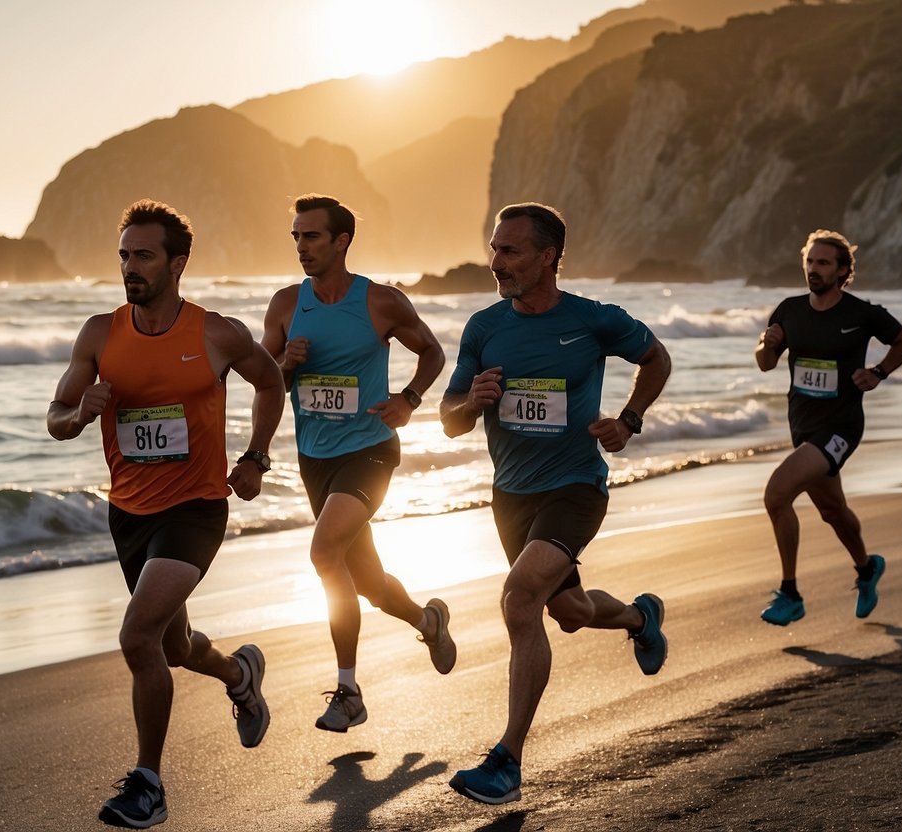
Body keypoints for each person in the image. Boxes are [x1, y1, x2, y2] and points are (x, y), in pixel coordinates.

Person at [47, 199, 285, 829]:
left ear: (177, 263)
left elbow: (271, 382)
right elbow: (56, 419)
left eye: (143, 255)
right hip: (128, 514)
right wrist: (80, 414)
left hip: (196, 510)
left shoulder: (217, 334)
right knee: (174, 646)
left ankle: (148, 784)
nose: (130, 267)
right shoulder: (100, 334)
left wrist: (256, 458)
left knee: (136, 637)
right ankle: (239, 673)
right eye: (124, 255)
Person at [440, 202, 672, 805]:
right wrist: (472, 403)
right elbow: (447, 422)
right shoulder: (484, 327)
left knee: (520, 601)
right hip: (510, 496)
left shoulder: (595, 320)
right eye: (494, 248)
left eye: (510, 250)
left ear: (548, 257)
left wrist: (629, 420)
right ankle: (640, 619)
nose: (497, 262)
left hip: (574, 489)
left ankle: (507, 760)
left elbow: (657, 358)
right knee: (566, 609)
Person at [260, 193, 455, 733]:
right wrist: (285, 363)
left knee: (324, 552)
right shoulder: (284, 304)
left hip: (369, 450)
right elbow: (266, 383)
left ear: (342, 241)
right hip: (314, 458)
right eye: (296, 236)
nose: (302, 247)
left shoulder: (381, 302)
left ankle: (348, 691)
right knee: (363, 579)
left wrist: (409, 400)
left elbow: (433, 352)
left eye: (312, 236)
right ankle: (427, 619)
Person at [755, 229, 902, 627]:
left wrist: (878, 372)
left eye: (823, 263)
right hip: (802, 425)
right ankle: (866, 568)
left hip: (842, 426)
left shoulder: (861, 314)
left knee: (777, 494)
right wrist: (768, 343)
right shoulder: (789, 310)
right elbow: (765, 363)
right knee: (832, 510)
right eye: (809, 261)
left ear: (843, 271)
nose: (813, 269)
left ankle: (790, 593)